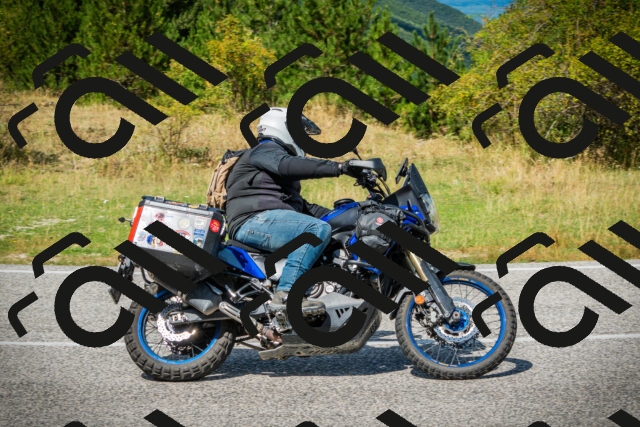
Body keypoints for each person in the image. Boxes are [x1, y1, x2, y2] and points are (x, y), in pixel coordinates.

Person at [225, 107, 357, 313]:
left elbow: (304, 207)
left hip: (267, 220)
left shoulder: (274, 167)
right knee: (315, 230)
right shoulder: (265, 150)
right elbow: (288, 165)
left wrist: (354, 212)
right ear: (282, 127)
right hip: (252, 221)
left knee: (326, 228)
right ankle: (287, 295)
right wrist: (339, 168)